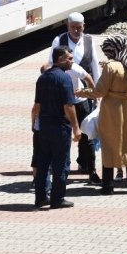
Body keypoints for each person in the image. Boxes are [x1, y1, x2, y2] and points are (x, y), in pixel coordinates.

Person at [77, 36, 127, 195]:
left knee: (110, 144)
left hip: (112, 111)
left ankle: (108, 186)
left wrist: (82, 92)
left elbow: (100, 91)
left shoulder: (110, 67)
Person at [47, 12, 101, 182]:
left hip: (82, 98)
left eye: (80, 27)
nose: (77, 31)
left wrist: (97, 93)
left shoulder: (89, 40)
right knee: (63, 134)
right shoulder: (59, 40)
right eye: (73, 27)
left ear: (84, 26)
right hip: (62, 99)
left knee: (87, 133)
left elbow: (94, 67)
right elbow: (50, 64)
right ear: (68, 26)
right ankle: (63, 167)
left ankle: (90, 167)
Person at [32, 46, 82, 209]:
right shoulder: (64, 79)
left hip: (44, 127)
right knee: (61, 163)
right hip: (60, 127)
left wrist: (34, 125)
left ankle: (40, 198)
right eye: (69, 58)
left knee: (43, 162)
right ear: (60, 59)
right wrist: (76, 127)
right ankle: (57, 198)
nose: (72, 62)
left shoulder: (43, 78)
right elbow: (69, 106)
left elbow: (37, 105)